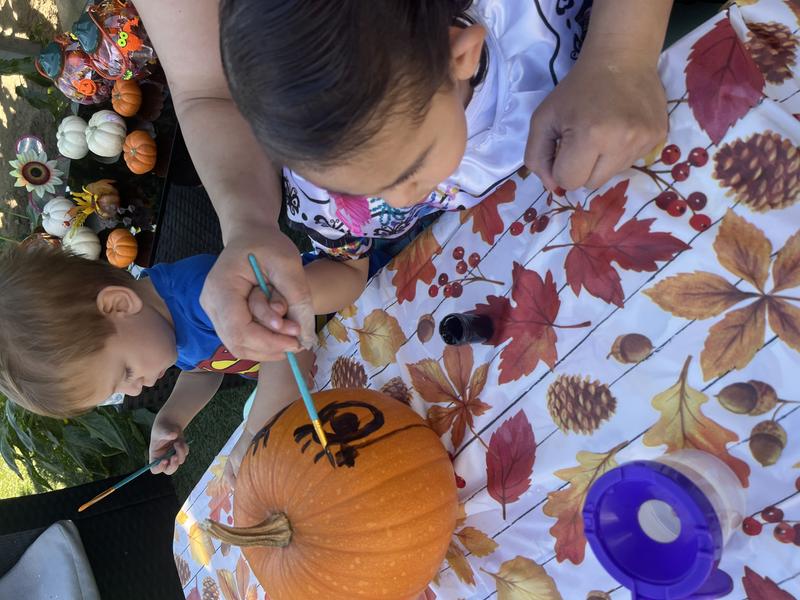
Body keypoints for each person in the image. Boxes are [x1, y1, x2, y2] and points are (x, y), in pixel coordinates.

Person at [133, 0, 673, 364]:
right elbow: (349, 266)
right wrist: (278, 280)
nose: (393, 203)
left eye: (410, 169)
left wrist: (620, 58)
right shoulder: (331, 183)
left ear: (460, 52)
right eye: (355, 191)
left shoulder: (530, 22)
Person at [0, 246, 312, 476]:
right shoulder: (162, 326)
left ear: (120, 305)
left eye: (126, 371)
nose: (136, 391)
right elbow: (205, 369)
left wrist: (255, 433)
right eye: (121, 388)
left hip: (340, 318)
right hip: (301, 375)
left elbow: (292, 348)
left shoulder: (204, 296)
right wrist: (171, 419)